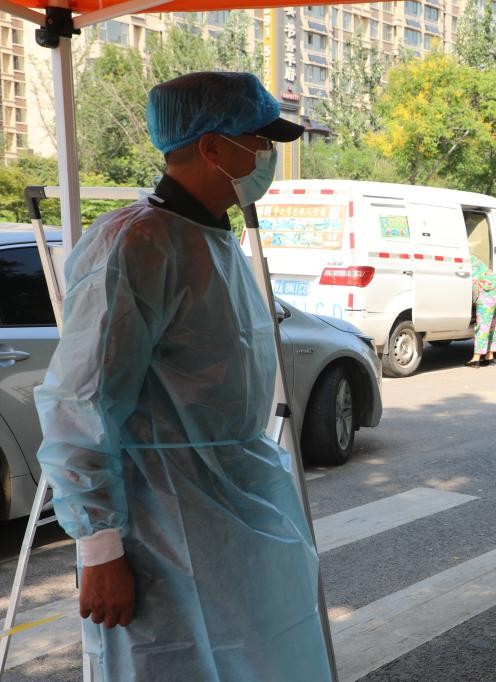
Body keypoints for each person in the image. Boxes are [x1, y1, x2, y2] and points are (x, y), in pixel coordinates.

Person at [33, 72, 332, 680]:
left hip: (232, 507)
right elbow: (80, 405)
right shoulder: (136, 244)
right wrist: (99, 550)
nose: (268, 156)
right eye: (258, 139)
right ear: (213, 146)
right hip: (160, 526)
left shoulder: (210, 240)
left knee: (260, 658)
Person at [467, 254, 496, 367]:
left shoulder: (463, 260)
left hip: (487, 289)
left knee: (483, 324)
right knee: (492, 323)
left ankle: (476, 358)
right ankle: (489, 356)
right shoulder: (474, 258)